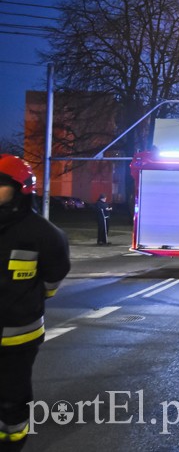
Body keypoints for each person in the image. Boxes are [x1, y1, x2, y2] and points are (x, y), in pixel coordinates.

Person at [0, 154, 70, 451]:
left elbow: (55, 274)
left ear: (21, 189)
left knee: (11, 394)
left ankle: (12, 439)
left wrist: (32, 298)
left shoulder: (43, 234)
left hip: (18, 334)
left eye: (1, 184)